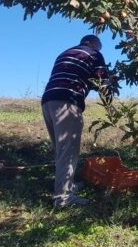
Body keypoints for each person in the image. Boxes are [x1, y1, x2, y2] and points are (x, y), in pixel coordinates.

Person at [41, 35, 110, 208]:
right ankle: (63, 198)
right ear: (94, 43)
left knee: (60, 148)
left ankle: (68, 186)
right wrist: (110, 90)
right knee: (68, 150)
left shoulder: (65, 53)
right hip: (67, 101)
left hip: (48, 100)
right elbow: (101, 80)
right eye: (99, 46)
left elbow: (78, 75)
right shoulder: (94, 53)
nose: (99, 49)